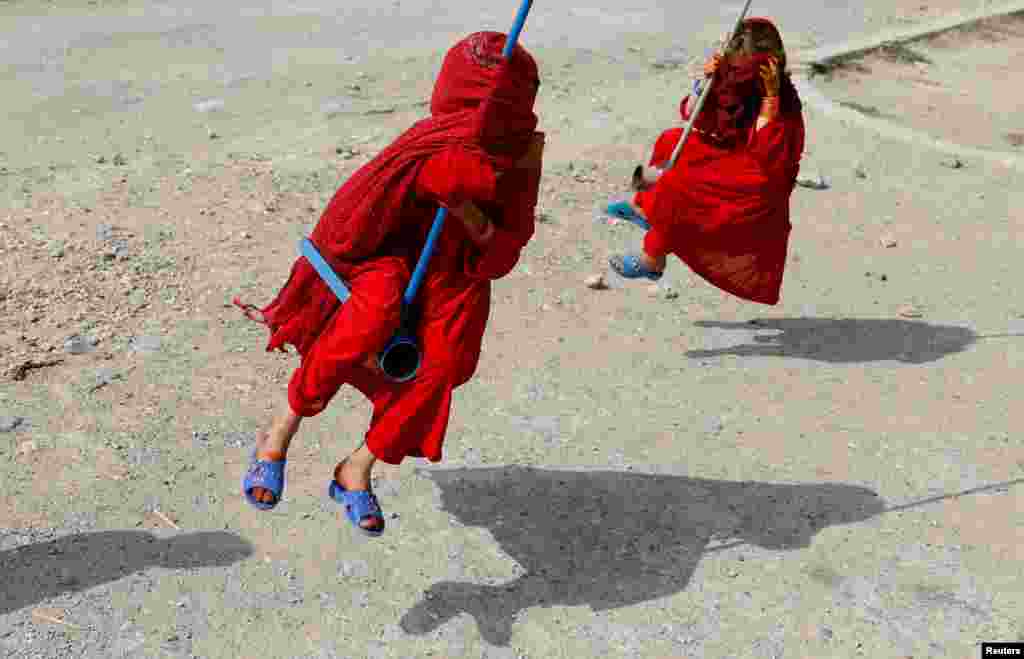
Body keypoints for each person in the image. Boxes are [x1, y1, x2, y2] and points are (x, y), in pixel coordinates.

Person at [233, 31, 544, 536]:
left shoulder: (523, 154)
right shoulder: (431, 137)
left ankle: (355, 468)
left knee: (438, 368)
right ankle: (279, 433)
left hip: (457, 273)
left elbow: (509, 246)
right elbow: (363, 209)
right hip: (390, 257)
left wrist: (466, 210)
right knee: (369, 314)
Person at [606, 18, 805, 306]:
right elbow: (693, 116)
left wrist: (770, 99)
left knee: (677, 185)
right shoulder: (730, 78)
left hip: (758, 174)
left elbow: (768, 152)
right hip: (730, 154)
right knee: (671, 140)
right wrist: (704, 84)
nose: (737, 70)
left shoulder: (782, 98)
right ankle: (645, 207)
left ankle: (653, 259)